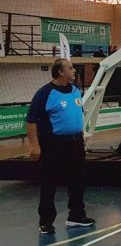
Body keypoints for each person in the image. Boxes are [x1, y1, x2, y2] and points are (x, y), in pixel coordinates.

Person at [26, 59, 95, 235]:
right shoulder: (44, 94)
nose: (74, 71)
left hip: (75, 143)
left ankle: (76, 216)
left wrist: (81, 135)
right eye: (70, 68)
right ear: (60, 73)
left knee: (78, 180)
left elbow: (76, 116)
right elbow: (31, 121)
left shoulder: (75, 91)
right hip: (53, 144)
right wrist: (35, 146)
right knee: (49, 183)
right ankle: (46, 221)